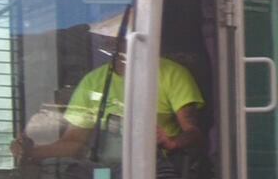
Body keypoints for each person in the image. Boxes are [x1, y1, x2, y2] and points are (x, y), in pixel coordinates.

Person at [11, 42, 207, 168]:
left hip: (155, 167)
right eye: (110, 39)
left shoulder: (171, 74)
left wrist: (170, 142)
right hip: (106, 170)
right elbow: (74, 143)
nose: (115, 43)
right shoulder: (93, 81)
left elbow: (194, 134)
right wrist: (31, 153)